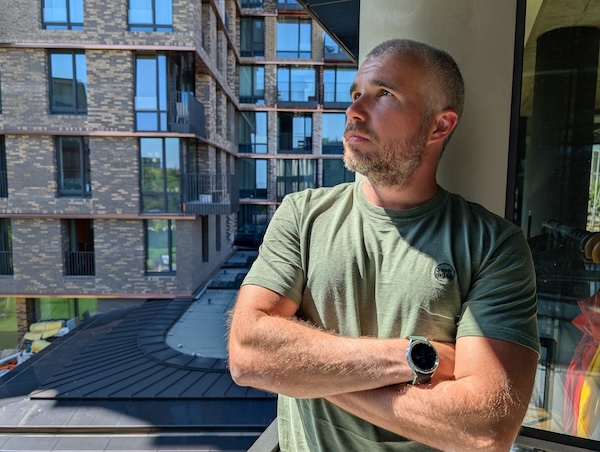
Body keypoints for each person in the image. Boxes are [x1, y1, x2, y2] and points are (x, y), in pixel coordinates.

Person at [228, 38, 540, 451]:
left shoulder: (494, 246)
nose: (353, 111)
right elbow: (248, 354)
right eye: (356, 94)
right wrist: (416, 357)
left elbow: (484, 430)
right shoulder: (302, 215)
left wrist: (299, 369)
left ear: (439, 126)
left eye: (384, 94)